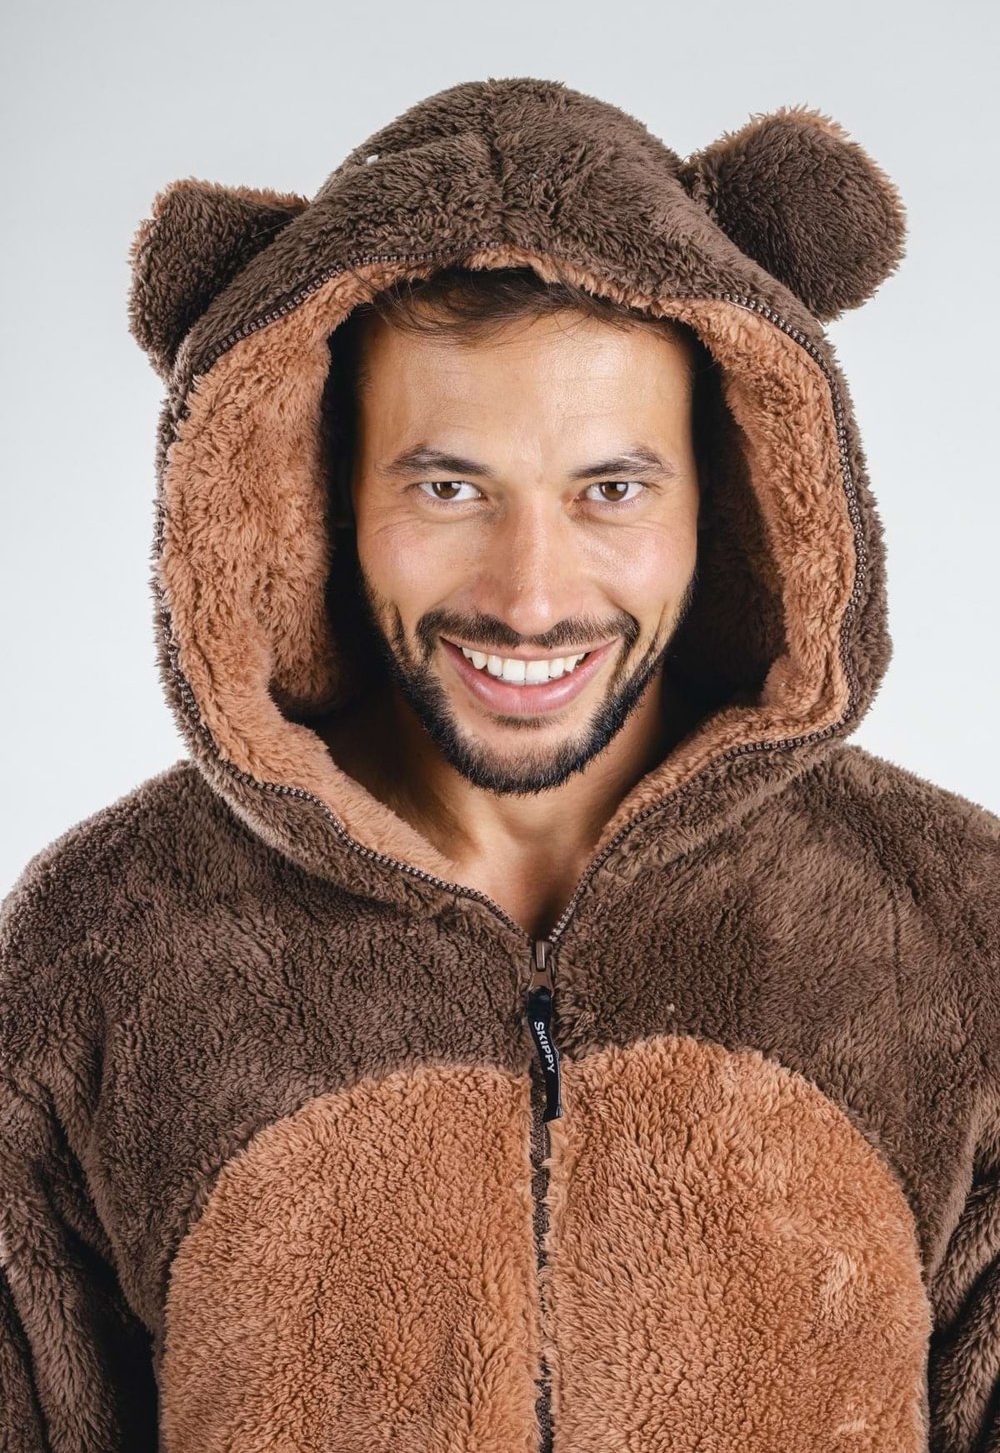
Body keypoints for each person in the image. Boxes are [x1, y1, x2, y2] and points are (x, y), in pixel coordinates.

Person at [1, 76, 997, 1453]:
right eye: (449, 487)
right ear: (324, 499)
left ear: (725, 497)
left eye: (612, 489)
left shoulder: (958, 927)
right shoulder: (99, 946)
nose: (531, 597)